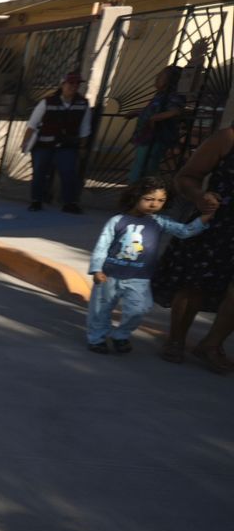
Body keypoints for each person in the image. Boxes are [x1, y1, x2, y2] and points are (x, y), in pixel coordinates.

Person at [84, 175, 214, 354]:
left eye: (161, 200)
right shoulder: (117, 221)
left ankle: (121, 335)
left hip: (139, 278)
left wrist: (204, 218)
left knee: (138, 310)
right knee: (100, 310)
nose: (154, 204)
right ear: (135, 197)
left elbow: (184, 231)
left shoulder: (159, 222)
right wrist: (96, 269)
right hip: (109, 275)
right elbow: (102, 245)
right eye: (149, 199)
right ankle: (96, 339)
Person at [152, 125, 234, 371]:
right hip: (219, 222)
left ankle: (211, 345)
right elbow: (186, 177)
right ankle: (176, 339)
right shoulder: (228, 137)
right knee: (194, 283)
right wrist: (199, 196)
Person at [21, 72, 92, 213]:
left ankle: (69, 203)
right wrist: (25, 142)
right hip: (44, 144)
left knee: (68, 173)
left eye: (77, 84)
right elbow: (32, 124)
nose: (74, 86)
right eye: (71, 83)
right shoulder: (47, 102)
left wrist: (83, 146)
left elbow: (85, 128)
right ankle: (36, 201)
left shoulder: (82, 104)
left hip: (67, 145)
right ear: (62, 84)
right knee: (40, 173)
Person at [128, 66, 185, 184]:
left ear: (171, 80)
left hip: (157, 135)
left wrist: (154, 118)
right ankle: (135, 188)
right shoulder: (160, 95)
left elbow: (175, 111)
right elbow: (153, 109)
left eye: (161, 75)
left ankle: (140, 189)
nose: (157, 77)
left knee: (147, 165)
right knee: (140, 163)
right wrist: (137, 112)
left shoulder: (174, 95)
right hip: (146, 135)